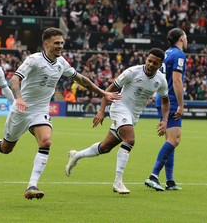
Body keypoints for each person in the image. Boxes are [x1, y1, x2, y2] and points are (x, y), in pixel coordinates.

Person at [0, 27, 120, 200]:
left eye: (62, 43)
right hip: (21, 110)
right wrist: (19, 98)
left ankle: (32, 185)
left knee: (45, 142)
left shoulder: (62, 63)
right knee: (6, 148)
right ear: (46, 44)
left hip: (40, 110)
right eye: (57, 43)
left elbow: (81, 79)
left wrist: (103, 92)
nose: (60, 46)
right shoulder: (33, 60)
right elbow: (15, 79)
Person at [65, 48, 169, 195]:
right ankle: (118, 182)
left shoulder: (161, 80)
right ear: (146, 59)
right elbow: (109, 90)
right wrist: (101, 111)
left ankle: (76, 155)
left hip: (133, 115)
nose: (151, 64)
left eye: (155, 63)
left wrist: (164, 120)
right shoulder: (132, 72)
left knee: (105, 147)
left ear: (160, 65)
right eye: (149, 61)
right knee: (130, 140)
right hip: (120, 107)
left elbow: (165, 100)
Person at [144, 27, 187, 191]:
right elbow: (176, 81)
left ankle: (170, 181)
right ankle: (153, 176)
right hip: (171, 101)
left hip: (161, 99)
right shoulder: (179, 55)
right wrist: (181, 104)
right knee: (174, 140)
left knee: (170, 141)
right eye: (186, 37)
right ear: (181, 38)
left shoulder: (166, 53)